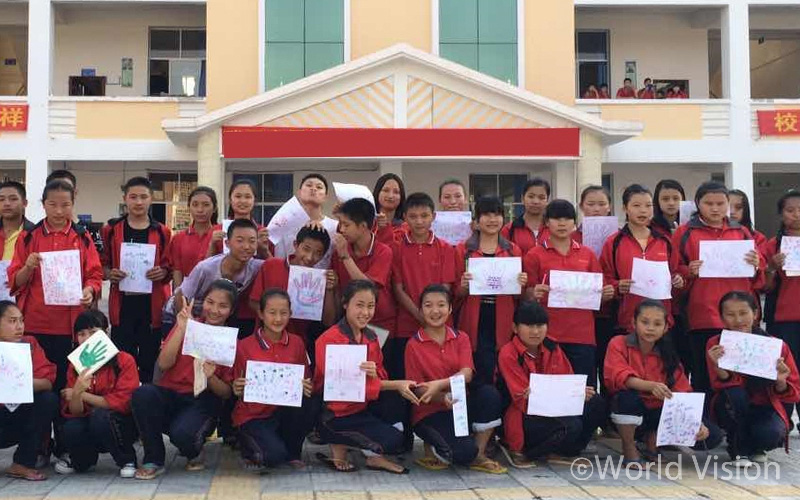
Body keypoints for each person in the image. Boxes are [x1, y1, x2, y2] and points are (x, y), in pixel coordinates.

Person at [8, 180, 103, 461]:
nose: (59, 211)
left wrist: (89, 291)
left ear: (73, 204)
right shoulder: (28, 237)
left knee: (67, 384)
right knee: (38, 387)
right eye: (53, 204)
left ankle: (65, 444)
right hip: (36, 325)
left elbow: (95, 275)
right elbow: (14, 281)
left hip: (72, 329)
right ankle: (38, 445)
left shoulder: (83, 237)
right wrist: (28, 266)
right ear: (42, 204)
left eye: (66, 204)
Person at [131, 279, 236, 479]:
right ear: (202, 302)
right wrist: (181, 329)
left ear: (231, 311)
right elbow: (163, 364)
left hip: (202, 399)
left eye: (223, 306)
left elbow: (226, 392)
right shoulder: (189, 325)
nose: (214, 310)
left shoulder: (230, 341)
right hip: (171, 393)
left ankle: (192, 447)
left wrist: (211, 376)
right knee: (143, 393)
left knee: (184, 436)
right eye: (210, 302)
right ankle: (154, 457)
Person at [313, 280, 416, 474]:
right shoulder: (329, 339)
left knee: (395, 434)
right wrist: (394, 383)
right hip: (335, 414)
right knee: (393, 395)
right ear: (345, 304)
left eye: (370, 306)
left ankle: (373, 458)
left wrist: (374, 373)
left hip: (361, 409)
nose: (365, 312)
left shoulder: (371, 337)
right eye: (359, 305)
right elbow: (337, 385)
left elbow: (381, 373)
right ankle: (337, 442)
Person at [673, 181, 764, 393]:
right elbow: (674, 273)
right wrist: (689, 272)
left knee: (741, 375)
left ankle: (739, 423)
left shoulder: (741, 232)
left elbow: (758, 278)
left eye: (721, 203)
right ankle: (707, 425)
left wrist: (757, 264)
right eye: (709, 203)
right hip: (702, 317)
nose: (715, 208)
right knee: (704, 376)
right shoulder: (685, 233)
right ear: (698, 204)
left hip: (739, 317)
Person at [605, 300, 721, 465]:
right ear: (633, 323)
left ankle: (653, 438)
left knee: (712, 435)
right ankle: (629, 448)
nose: (650, 328)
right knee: (626, 398)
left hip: (657, 412)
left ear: (666, 327)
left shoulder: (668, 353)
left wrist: (697, 421)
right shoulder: (619, 343)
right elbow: (618, 376)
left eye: (657, 323)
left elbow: (683, 392)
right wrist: (650, 386)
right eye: (645, 322)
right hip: (628, 410)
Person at [405, 284, 506, 473]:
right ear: (420, 310)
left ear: (450, 308)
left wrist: (440, 384)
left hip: (460, 405)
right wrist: (441, 397)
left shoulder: (461, 338)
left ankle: (479, 453)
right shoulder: (413, 344)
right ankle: (439, 446)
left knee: (489, 395)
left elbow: (467, 373)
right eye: (428, 305)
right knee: (463, 454)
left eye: (441, 305)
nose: (435, 311)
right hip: (430, 412)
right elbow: (417, 389)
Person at [497, 301, 606, 468]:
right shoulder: (508, 353)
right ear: (515, 328)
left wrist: (578, 392)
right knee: (572, 425)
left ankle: (566, 452)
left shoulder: (552, 347)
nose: (535, 331)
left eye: (540, 325)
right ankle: (526, 452)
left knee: (596, 403)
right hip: (524, 414)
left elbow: (566, 379)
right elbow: (521, 399)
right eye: (528, 325)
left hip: (554, 408)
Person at [599, 185, 683, 394]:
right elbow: (605, 277)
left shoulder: (664, 241)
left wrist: (679, 279)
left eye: (647, 206)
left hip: (661, 321)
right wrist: (618, 286)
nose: (643, 211)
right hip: (627, 319)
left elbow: (675, 271)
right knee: (625, 376)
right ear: (625, 208)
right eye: (636, 205)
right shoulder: (614, 242)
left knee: (664, 371)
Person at [707, 291, 800, 466]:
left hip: (765, 405)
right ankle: (738, 445)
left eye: (743, 313)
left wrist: (780, 380)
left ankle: (758, 446)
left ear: (755, 314)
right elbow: (719, 385)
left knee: (770, 434)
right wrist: (718, 367)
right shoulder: (716, 344)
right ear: (721, 317)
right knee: (736, 394)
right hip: (732, 405)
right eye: (730, 315)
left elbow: (794, 392)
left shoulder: (775, 346)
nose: (738, 320)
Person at [524, 199, 614, 380]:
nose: (562, 223)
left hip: (582, 335)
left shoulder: (587, 254)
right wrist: (533, 293)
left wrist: (606, 294)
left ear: (574, 223)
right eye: (556, 219)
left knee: (582, 391)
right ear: (547, 223)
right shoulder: (535, 254)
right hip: (547, 334)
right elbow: (526, 294)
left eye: (567, 218)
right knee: (551, 390)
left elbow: (599, 293)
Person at [232, 289, 314, 471]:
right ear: (260, 314)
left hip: (283, 412)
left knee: (310, 404)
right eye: (272, 313)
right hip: (254, 415)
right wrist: (237, 387)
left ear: (290, 314)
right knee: (273, 458)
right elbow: (236, 383)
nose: (278, 319)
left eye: (283, 313)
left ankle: (293, 452)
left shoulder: (297, 342)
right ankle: (247, 446)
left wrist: (306, 386)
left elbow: (305, 377)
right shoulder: (244, 346)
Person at [101, 177, 172, 383]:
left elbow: (169, 266)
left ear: (151, 199)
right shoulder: (111, 230)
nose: (138, 202)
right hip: (123, 307)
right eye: (133, 197)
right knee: (122, 360)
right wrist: (109, 273)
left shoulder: (162, 231)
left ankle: (145, 407)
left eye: (143, 197)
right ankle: (123, 406)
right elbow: (103, 263)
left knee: (150, 362)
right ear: (125, 199)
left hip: (151, 307)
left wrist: (163, 273)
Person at [57, 310, 139, 478]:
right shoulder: (75, 365)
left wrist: (81, 394)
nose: (87, 338)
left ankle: (127, 459)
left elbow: (122, 403)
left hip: (119, 422)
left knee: (101, 416)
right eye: (81, 334)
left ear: (106, 332)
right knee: (71, 427)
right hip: (89, 421)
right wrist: (78, 392)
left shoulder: (124, 360)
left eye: (93, 332)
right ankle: (82, 461)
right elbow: (75, 412)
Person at [455, 196, 527, 387]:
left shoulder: (513, 251)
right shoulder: (463, 250)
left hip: (503, 315)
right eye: (486, 215)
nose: (492, 219)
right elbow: (454, 294)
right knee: (479, 366)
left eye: (497, 214)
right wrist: (462, 285)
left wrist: (521, 283)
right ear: (477, 221)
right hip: (474, 316)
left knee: (503, 364)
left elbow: (518, 296)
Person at [390, 193, 456, 379]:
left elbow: (446, 287)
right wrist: (419, 315)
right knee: (408, 379)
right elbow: (398, 289)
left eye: (424, 216)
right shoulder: (397, 249)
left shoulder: (444, 248)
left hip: (440, 325)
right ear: (404, 217)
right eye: (413, 216)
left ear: (433, 217)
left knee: (439, 375)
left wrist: (433, 314)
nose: (419, 221)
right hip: (406, 326)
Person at [165, 219, 264, 339]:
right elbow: (180, 296)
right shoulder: (205, 268)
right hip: (179, 315)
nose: (247, 247)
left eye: (252, 241)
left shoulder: (256, 266)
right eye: (240, 241)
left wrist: (266, 250)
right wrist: (189, 327)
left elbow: (277, 267)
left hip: (215, 318)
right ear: (227, 243)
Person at [248, 225, 338, 357]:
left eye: (318, 253)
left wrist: (330, 290)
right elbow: (253, 302)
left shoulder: (318, 279)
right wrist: (277, 315)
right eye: (306, 249)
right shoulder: (272, 265)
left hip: (296, 346)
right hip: (264, 341)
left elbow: (328, 321)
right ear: (296, 245)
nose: (309, 257)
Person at [0, 301, 58, 481]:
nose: (19, 327)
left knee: (48, 399)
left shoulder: (30, 343)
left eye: (21, 321)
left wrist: (18, 382)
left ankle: (22, 462)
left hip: (19, 416)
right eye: (12, 321)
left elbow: (48, 381)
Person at [331, 198, 396, 335]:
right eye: (340, 224)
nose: (341, 229)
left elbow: (367, 287)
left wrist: (346, 257)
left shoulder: (383, 251)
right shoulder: (340, 250)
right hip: (348, 324)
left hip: (380, 325)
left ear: (363, 226)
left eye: (346, 225)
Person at [763, 190, 800, 424]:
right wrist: (772, 267)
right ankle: (782, 421)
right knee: (785, 371)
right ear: (781, 214)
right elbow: (764, 288)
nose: (797, 215)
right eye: (790, 210)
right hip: (785, 318)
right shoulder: (773, 245)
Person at [275, 174, 340, 269]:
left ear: (326, 197)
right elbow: (279, 260)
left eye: (319, 187)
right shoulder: (285, 224)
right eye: (309, 185)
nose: (313, 189)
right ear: (299, 192)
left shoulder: (336, 227)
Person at [167, 186, 218, 288]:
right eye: (195, 205)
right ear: (188, 207)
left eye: (206, 205)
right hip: (187, 296)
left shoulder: (220, 235)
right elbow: (177, 272)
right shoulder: (179, 238)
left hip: (215, 295)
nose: (200, 210)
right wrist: (180, 299)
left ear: (214, 208)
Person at [500, 178, 550, 254]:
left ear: (547, 201)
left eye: (541, 198)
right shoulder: (509, 230)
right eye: (531, 196)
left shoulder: (554, 228)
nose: (536, 201)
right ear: (522, 199)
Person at [0, 181, 34, 261]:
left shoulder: (34, 233)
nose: (7, 203)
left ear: (24, 203)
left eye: (13, 199)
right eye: (1, 199)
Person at [373, 173, 406, 245]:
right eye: (386, 190)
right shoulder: (368, 225)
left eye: (396, 192)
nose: (390, 196)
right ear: (377, 192)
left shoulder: (406, 228)